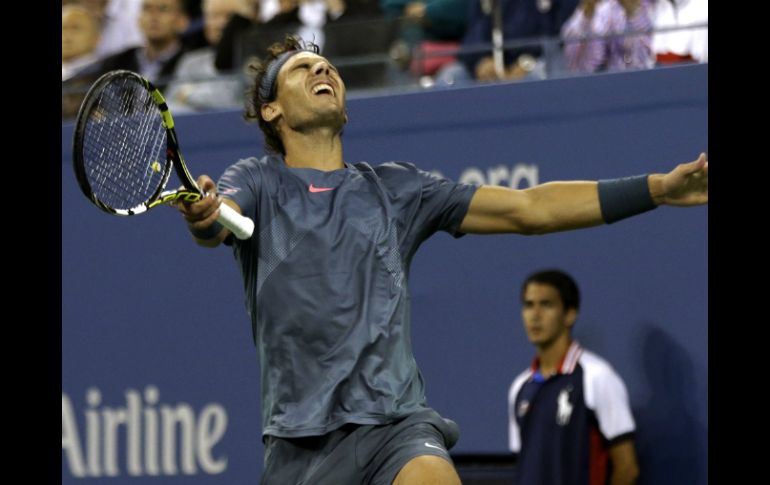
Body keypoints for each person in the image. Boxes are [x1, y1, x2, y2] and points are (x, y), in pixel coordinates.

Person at [174, 36, 706, 484]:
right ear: (272, 109)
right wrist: (206, 216)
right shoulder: (258, 180)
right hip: (297, 447)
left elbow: (530, 208)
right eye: (303, 68)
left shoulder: (398, 189)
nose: (323, 69)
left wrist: (657, 189)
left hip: (394, 425)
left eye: (328, 66)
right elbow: (217, 219)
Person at [509, 269, 640, 485]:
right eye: (529, 305)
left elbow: (627, 469)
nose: (535, 315)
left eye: (546, 304)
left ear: (570, 314)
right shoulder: (520, 388)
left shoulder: (597, 376)